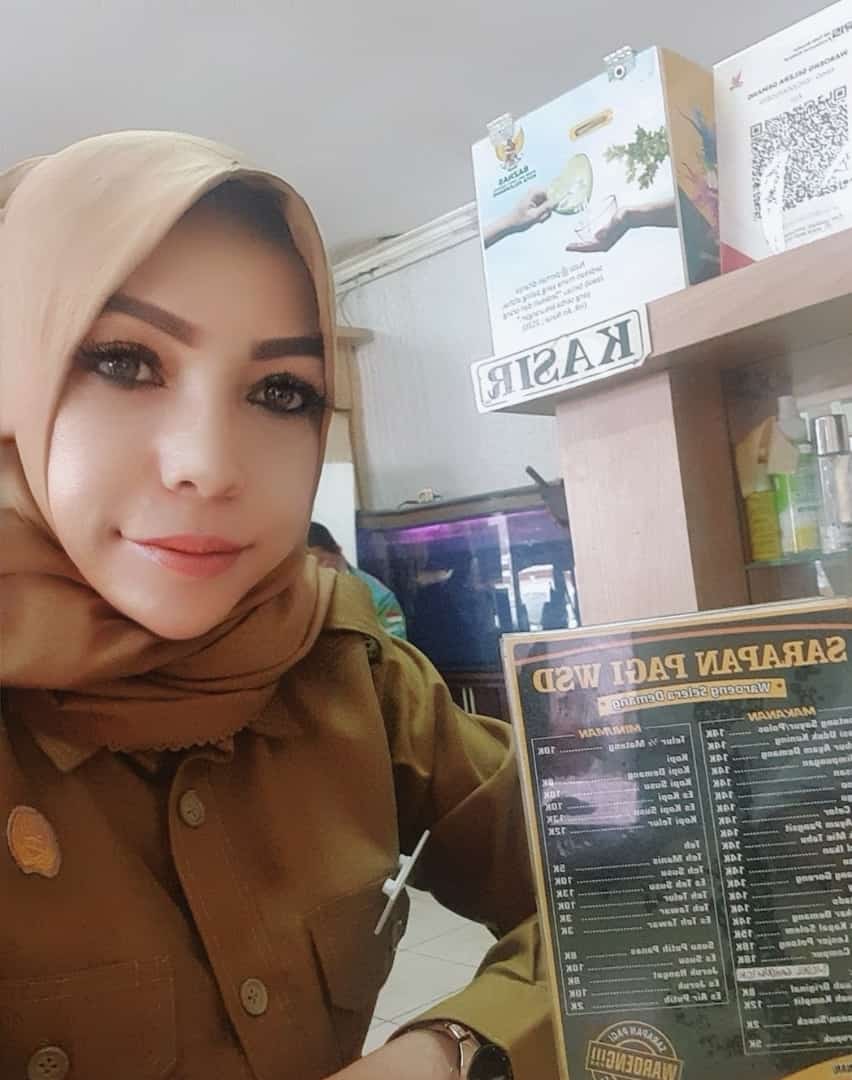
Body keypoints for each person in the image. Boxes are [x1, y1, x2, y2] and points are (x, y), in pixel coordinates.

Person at [0, 132, 559, 1079]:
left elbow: (621, 877)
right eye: (125, 362)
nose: (210, 466)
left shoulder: (347, 667)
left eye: (280, 390)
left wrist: (452, 1050)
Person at [307, 521, 407, 640]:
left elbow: (395, 645)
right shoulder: (304, 592)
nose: (317, 569)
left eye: (321, 561)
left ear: (338, 550)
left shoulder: (379, 597)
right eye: (308, 565)